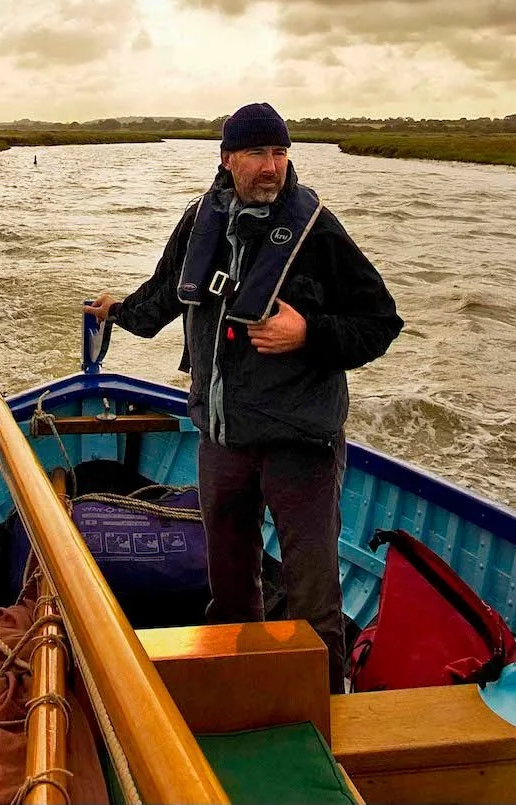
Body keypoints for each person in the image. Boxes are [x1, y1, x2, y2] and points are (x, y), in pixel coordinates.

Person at [86, 102, 402, 690]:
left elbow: (380, 322)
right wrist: (116, 312)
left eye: (280, 153)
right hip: (223, 442)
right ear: (227, 158)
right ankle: (239, 696)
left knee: (314, 602)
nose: (271, 167)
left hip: (299, 447)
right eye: (257, 153)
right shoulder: (199, 222)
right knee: (229, 589)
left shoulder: (317, 232)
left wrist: (308, 333)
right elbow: (160, 301)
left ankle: (325, 716)